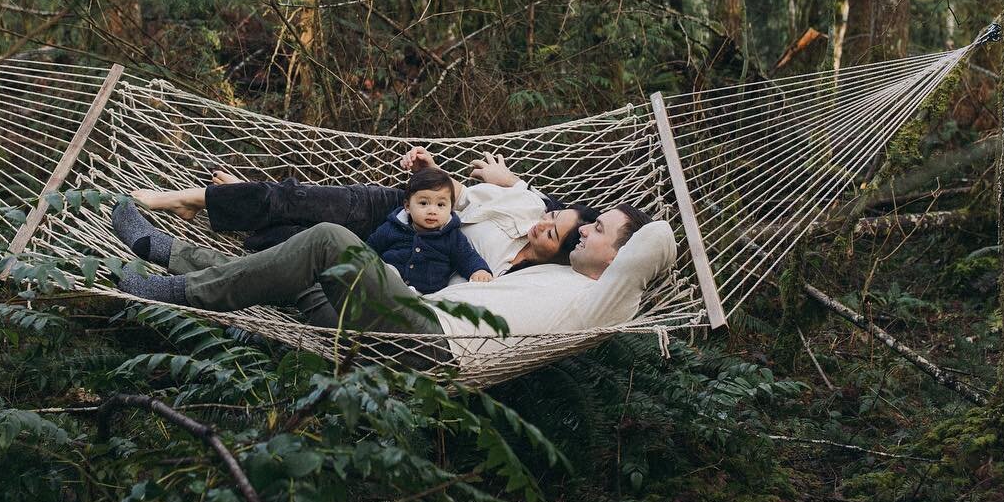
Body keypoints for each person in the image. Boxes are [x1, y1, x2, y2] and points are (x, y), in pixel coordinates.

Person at [114, 202, 671, 369]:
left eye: (599, 230)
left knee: (329, 238)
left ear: (623, 256)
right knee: (301, 275)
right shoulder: (553, 272)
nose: (586, 232)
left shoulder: (610, 300)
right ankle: (163, 251)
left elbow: (656, 241)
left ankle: (179, 293)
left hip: (430, 345)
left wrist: (653, 220)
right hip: (401, 327)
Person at [126, 147, 598, 277]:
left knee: (281, 241)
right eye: (552, 217)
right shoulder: (529, 201)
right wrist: (434, 173)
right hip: (401, 206)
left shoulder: (511, 274)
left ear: (558, 252)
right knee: (295, 198)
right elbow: (464, 194)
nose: (543, 223)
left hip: (399, 252)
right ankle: (187, 199)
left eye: (551, 232)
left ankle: (234, 200)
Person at [364, 167, 492, 294]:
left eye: (440, 205)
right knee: (388, 270)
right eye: (424, 203)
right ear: (408, 206)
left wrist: (479, 270)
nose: (432, 211)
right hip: (390, 285)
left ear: (450, 209)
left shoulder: (451, 236)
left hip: (427, 294)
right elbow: (370, 247)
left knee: (458, 286)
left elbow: (467, 256)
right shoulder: (393, 227)